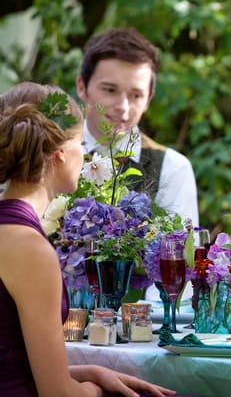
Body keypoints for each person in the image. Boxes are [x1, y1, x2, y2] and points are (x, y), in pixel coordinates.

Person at [0, 82, 176, 396]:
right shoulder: (29, 247)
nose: (85, 153)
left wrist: (92, 371)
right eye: (81, 142)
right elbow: (57, 393)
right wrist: (96, 389)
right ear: (60, 155)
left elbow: (16, 360)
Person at [75, 27, 198, 300]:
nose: (123, 107)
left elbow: (176, 268)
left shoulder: (171, 167)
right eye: (109, 90)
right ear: (82, 87)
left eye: (136, 95)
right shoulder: (51, 155)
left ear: (149, 98)